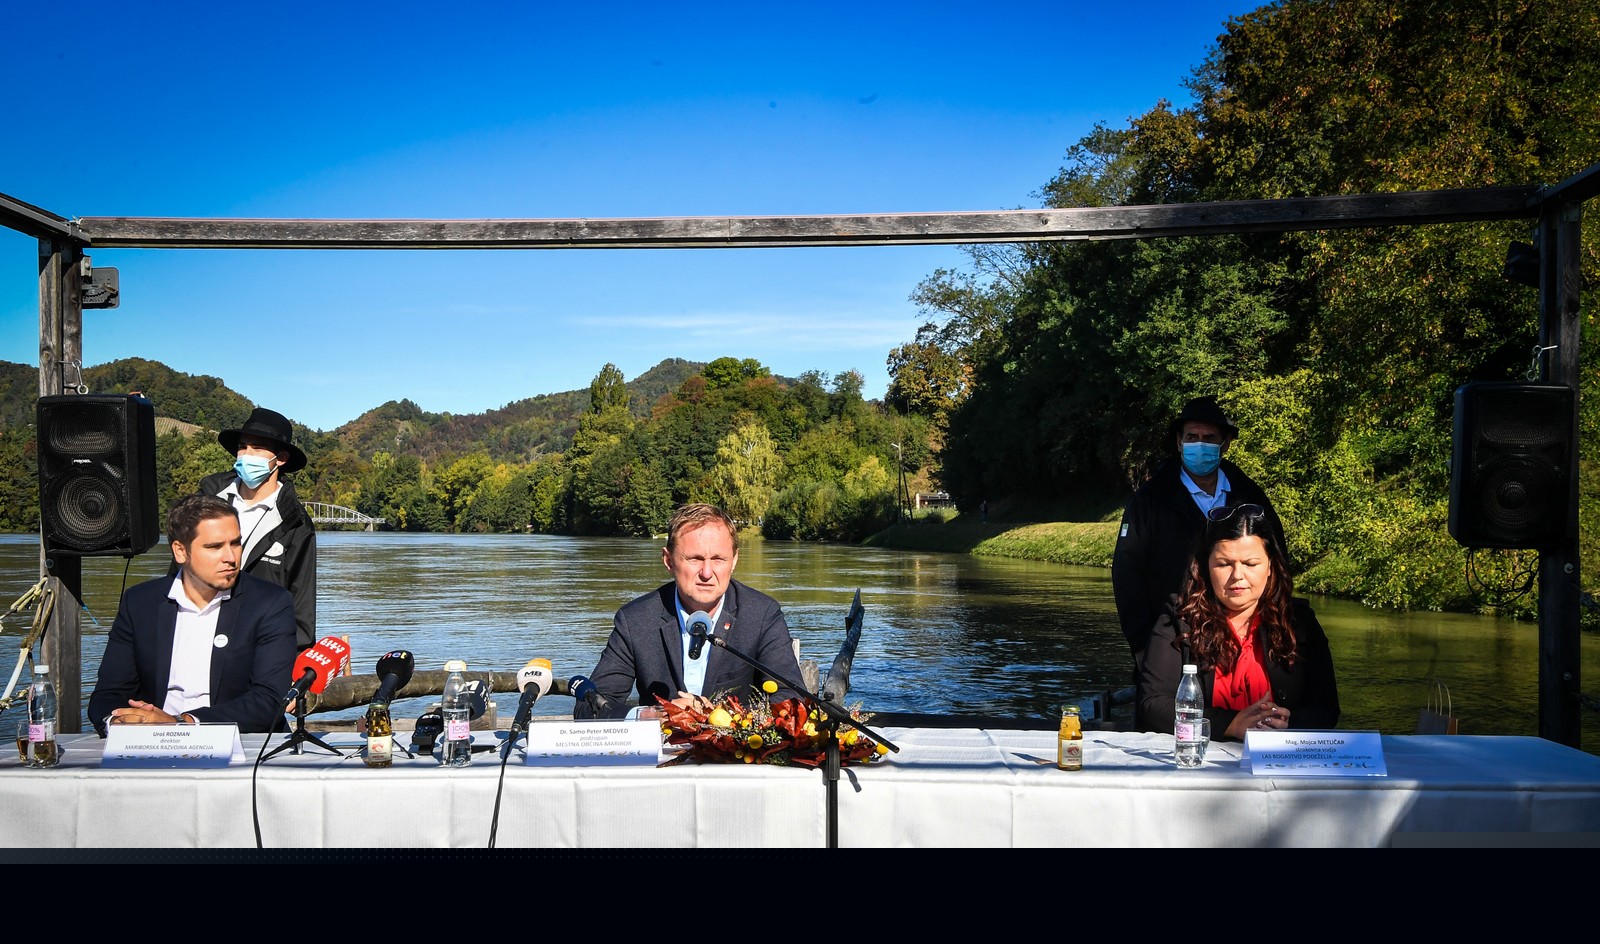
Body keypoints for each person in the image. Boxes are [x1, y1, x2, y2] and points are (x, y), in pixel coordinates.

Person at [1111, 395, 1283, 728]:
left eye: (1208, 439)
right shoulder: (1150, 499)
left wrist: (1272, 637)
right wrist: (1148, 650)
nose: (1199, 445)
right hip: (1174, 642)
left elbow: (1276, 561)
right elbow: (1127, 576)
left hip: (1244, 644)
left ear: (1225, 444)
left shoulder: (1249, 495)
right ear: (1179, 442)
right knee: (1165, 727)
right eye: (1192, 438)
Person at [89, 494, 298, 735]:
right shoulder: (139, 602)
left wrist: (180, 723)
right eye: (214, 547)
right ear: (180, 551)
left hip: (241, 746)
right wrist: (119, 722)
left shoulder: (270, 603)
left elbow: (269, 701)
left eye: (236, 543)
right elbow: (109, 692)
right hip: (150, 744)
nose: (231, 557)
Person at [574, 503, 804, 720]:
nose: (706, 572)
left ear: (734, 561)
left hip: (734, 756)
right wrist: (653, 715)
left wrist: (717, 716)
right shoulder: (635, 620)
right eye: (694, 559)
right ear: (668, 560)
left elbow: (794, 701)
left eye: (718, 559)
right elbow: (589, 708)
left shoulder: (761, 614)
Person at [1137, 503, 1338, 740]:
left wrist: (1289, 723)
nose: (1238, 576)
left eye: (1251, 564)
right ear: (1205, 567)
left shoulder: (1298, 621)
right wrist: (1229, 724)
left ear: (1271, 566)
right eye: (1224, 564)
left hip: (1279, 756)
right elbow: (1152, 704)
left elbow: (1326, 709)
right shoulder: (1179, 617)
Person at [194, 407, 317, 650]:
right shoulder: (206, 502)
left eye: (258, 448)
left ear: (280, 459)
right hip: (196, 643)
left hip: (255, 655)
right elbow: (176, 577)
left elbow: (301, 618)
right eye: (243, 446)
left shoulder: (296, 524)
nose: (246, 455)